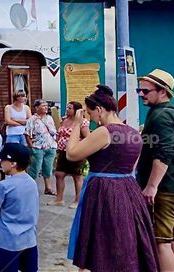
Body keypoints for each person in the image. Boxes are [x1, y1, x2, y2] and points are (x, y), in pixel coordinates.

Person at [66, 85, 158, 272]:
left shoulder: (105, 131)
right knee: (124, 240)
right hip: (129, 189)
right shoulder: (133, 133)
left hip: (104, 190)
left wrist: (76, 125)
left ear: (99, 110)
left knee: (101, 240)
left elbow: (72, 154)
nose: (90, 118)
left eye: (91, 114)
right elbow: (130, 166)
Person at [135, 69, 174, 272]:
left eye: (145, 91)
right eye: (139, 90)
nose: (141, 94)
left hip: (166, 190)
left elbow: (164, 153)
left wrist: (151, 186)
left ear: (162, 91)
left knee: (162, 243)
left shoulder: (161, 116)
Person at [0, 143, 39, 272]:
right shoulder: (32, 183)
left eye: (3, 159)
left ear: (13, 163)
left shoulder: (4, 185)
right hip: (29, 239)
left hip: (8, 240)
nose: (0, 162)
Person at [51, 101, 87, 208]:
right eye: (67, 107)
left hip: (76, 151)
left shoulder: (82, 122)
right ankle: (59, 198)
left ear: (76, 110)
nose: (67, 109)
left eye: (70, 108)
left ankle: (77, 200)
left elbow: (86, 136)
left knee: (77, 175)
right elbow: (59, 133)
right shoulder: (63, 119)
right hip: (62, 151)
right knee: (59, 174)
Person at [25, 99, 58, 195]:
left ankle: (48, 187)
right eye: (43, 105)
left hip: (50, 145)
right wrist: (31, 147)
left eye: (46, 106)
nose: (46, 107)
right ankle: (29, 187)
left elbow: (54, 131)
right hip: (38, 147)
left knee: (48, 168)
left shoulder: (49, 118)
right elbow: (27, 134)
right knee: (35, 168)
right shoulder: (32, 119)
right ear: (36, 107)